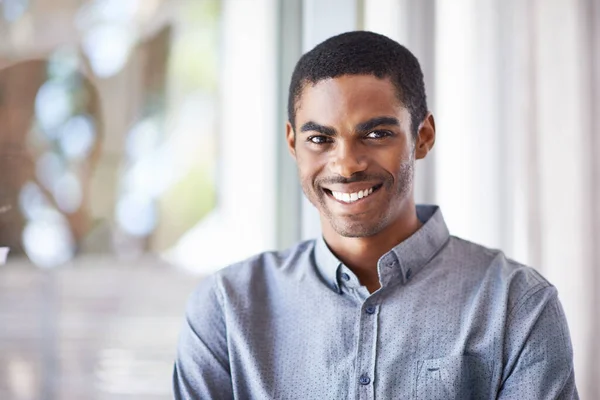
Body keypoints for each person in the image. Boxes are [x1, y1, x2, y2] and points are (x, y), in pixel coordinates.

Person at [173, 31, 578, 399]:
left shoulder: (518, 306)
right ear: (294, 144)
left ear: (423, 137)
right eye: (320, 138)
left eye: (376, 134)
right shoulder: (226, 309)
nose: (347, 164)